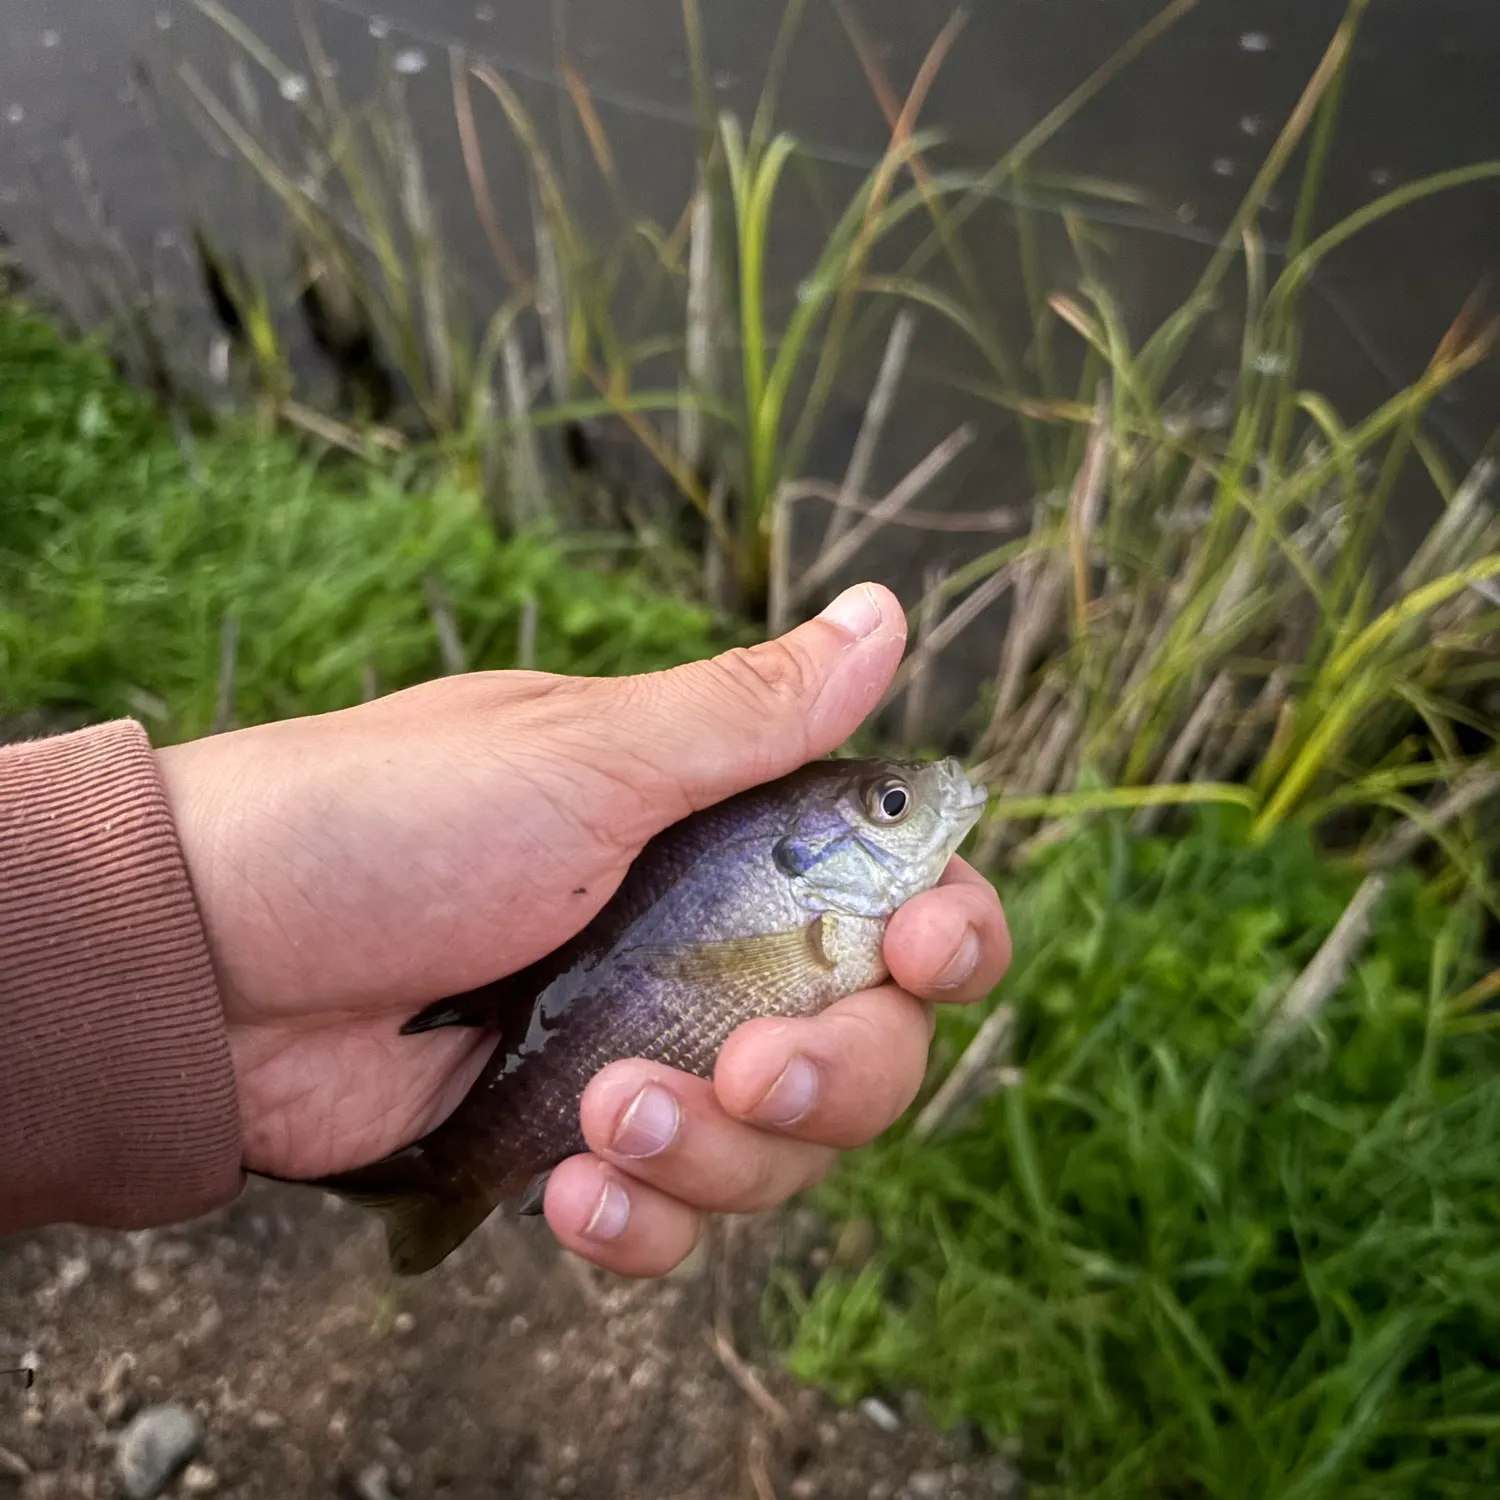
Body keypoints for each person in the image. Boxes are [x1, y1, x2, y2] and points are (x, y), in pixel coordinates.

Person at [0, 582, 1009, 1278]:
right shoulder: (834, 911)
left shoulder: (839, 908)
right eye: (889, 805)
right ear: (814, 853)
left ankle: (445, 1181)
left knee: (764, 1083)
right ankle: (448, 1181)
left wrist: (180, 947)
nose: (918, 803)